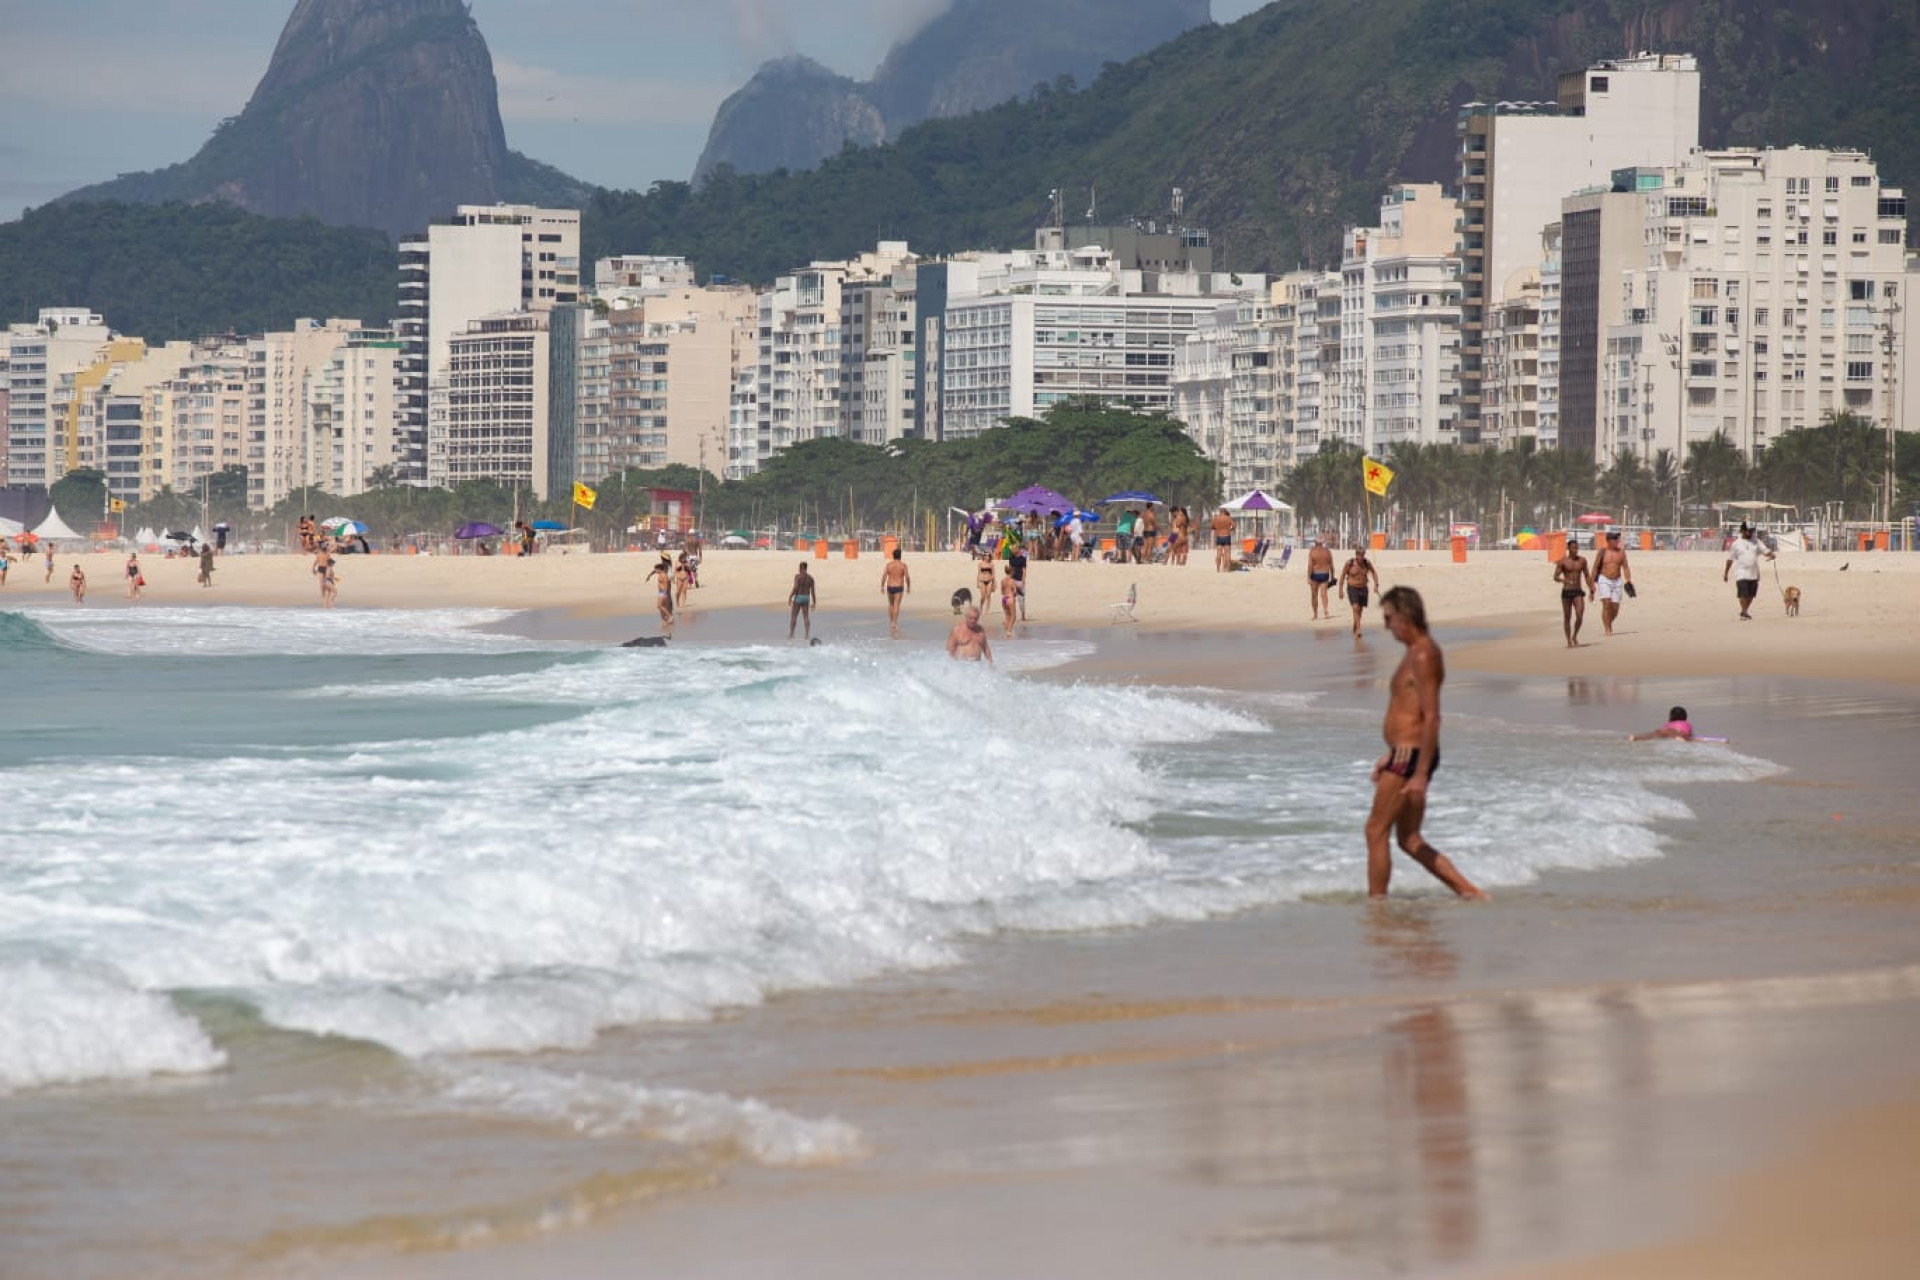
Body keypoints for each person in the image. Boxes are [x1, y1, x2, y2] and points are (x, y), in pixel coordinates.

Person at [1366, 585, 1488, 901]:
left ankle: (1377, 906)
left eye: (1389, 617)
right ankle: (1470, 893)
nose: (1386, 625)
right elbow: (1409, 711)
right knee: (1408, 838)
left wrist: (1419, 772)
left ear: (1406, 615)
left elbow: (1432, 716)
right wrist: (1390, 754)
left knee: (1375, 830)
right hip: (1404, 753)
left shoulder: (1423, 654)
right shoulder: (1414, 653)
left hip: (1410, 757)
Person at [1723, 522, 1773, 621]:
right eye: (1748, 531)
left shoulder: (1756, 541)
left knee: (1751, 595)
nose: (1750, 533)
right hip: (1741, 573)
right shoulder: (1736, 544)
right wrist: (1726, 573)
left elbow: (1765, 551)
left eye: (1751, 531)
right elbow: (1730, 559)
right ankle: (1744, 612)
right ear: (1742, 531)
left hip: (1754, 573)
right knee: (1743, 594)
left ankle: (1744, 611)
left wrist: (1771, 555)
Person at [1590, 530, 1634, 636]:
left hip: (1617, 580)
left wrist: (1628, 580)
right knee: (1606, 603)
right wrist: (1592, 585)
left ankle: (1608, 622)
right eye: (1615, 539)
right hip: (1604, 579)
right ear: (1609, 541)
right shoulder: (1602, 552)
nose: (1617, 541)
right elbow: (1595, 568)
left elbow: (1625, 567)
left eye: (1617, 539)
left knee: (1615, 607)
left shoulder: (1621, 552)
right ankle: (1607, 628)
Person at [1553, 536, 1593, 648]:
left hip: (1578, 591)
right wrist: (1563, 580)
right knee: (1567, 617)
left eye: (1577, 548)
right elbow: (1555, 576)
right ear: (1568, 548)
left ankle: (1575, 635)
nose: (1576, 550)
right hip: (1566, 592)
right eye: (1573, 548)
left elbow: (1587, 575)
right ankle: (1568, 641)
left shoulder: (1582, 561)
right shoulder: (1563, 561)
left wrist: (1591, 589)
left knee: (1580, 615)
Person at [1338, 545, 1381, 636]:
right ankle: (1359, 629)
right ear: (1356, 555)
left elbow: (1374, 573)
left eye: (1362, 555)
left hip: (1363, 588)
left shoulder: (1367, 563)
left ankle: (1355, 627)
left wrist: (1376, 585)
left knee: (1360, 611)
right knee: (1355, 608)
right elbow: (1342, 576)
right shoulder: (1349, 563)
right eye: (1359, 555)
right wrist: (1340, 590)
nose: (1361, 557)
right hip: (1352, 588)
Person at [879, 546, 912, 638]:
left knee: (891, 604)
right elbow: (907, 577)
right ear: (900, 556)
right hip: (898, 586)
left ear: (893, 556)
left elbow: (884, 576)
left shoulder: (889, 565)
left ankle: (891, 622)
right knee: (896, 604)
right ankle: (894, 622)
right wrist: (909, 586)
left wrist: (882, 586)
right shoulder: (903, 565)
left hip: (890, 586)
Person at [1305, 536, 1335, 620]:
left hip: (1315, 574)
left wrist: (1308, 577)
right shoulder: (1328, 552)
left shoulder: (1312, 551)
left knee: (1314, 595)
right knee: (1324, 594)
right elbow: (1331, 565)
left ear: (1315, 543)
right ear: (1322, 543)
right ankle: (1326, 612)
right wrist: (1332, 576)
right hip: (1325, 574)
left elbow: (1310, 565)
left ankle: (1315, 614)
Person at [1630, 706, 1696, 742]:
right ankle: (1679, 739)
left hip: (1664, 732)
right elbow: (1689, 736)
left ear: (1671, 716)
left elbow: (1664, 731)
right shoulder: (1687, 724)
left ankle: (1636, 738)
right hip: (1679, 734)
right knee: (1682, 738)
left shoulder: (1667, 724)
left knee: (1652, 735)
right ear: (1685, 717)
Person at [788, 561, 817, 641]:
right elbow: (813, 592)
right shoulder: (811, 578)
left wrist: (790, 597)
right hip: (806, 598)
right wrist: (814, 602)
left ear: (801, 568)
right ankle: (806, 635)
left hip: (798, 597)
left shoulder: (797, 576)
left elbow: (796, 587)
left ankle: (791, 634)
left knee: (794, 616)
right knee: (806, 616)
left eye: (799, 568)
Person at [647, 555, 675, 632]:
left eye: (657, 570)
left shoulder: (664, 575)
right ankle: (666, 622)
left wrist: (665, 593)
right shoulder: (661, 574)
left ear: (660, 569)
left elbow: (666, 585)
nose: (656, 571)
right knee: (660, 607)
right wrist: (649, 575)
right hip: (660, 592)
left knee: (659, 606)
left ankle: (670, 617)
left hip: (663, 593)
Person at [1006, 542, 1029, 621]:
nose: (1012, 550)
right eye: (1012, 549)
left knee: (1021, 599)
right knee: (1011, 598)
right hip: (1012, 580)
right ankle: (1012, 615)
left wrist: (1023, 581)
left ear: (1018, 549)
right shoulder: (1011, 558)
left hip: (1019, 580)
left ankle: (1023, 615)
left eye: (1014, 548)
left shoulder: (1023, 559)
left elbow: (1024, 570)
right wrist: (1009, 579)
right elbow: (1010, 569)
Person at [1211, 507, 1236, 572]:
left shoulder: (1216, 518)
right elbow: (1233, 526)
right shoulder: (1228, 518)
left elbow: (1211, 526)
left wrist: (1216, 528)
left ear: (1220, 512)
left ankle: (1218, 569)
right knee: (1227, 553)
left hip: (1219, 536)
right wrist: (1229, 529)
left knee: (1218, 553)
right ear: (1225, 512)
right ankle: (1228, 569)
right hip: (1227, 536)